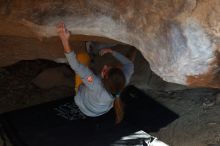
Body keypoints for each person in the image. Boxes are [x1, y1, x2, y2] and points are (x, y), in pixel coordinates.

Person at [57, 22, 135, 124]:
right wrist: (112, 52)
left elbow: (75, 65)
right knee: (89, 74)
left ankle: (88, 52)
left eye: (105, 69)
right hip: (101, 109)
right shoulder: (123, 79)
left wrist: (64, 40)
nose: (105, 66)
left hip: (84, 104)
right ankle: (91, 61)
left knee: (82, 59)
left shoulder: (95, 83)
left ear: (104, 77)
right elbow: (129, 64)